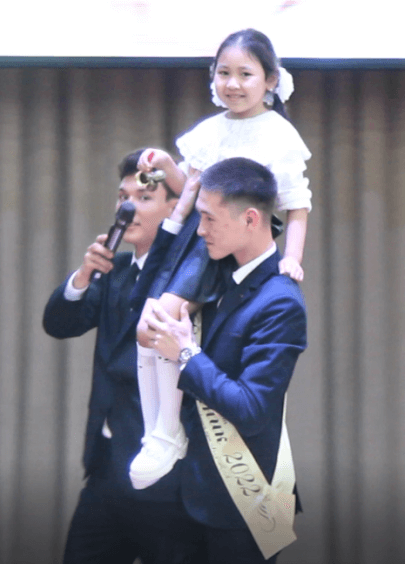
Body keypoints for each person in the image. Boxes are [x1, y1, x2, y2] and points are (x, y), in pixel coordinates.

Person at [129, 28, 311, 490]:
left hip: (228, 245)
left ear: (271, 80)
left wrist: (292, 258)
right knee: (147, 328)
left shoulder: (280, 134)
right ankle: (157, 430)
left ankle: (168, 432)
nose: (232, 83)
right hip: (196, 236)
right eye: (223, 73)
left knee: (163, 322)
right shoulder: (211, 129)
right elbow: (191, 187)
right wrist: (164, 166)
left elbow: (297, 207)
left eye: (245, 73)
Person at [42, 149, 207, 564]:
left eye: (144, 197)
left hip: (166, 476)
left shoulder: (189, 276)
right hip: (105, 466)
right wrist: (83, 277)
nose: (127, 207)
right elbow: (59, 324)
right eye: (122, 197)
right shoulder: (113, 268)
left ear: (177, 207)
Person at [142, 157, 307, 564]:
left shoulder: (280, 301)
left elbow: (251, 410)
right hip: (186, 496)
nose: (200, 231)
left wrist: (186, 353)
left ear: (250, 219)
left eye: (209, 218)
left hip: (243, 507)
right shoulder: (214, 276)